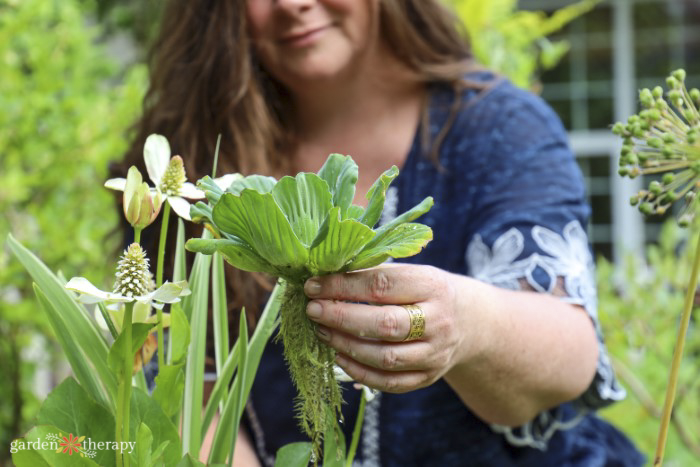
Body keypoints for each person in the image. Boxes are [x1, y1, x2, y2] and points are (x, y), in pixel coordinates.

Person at [115, 0, 645, 465]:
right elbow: (184, 383)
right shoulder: (192, 164)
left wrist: (467, 323)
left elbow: (571, 352)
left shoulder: (497, 129)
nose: (292, 3)